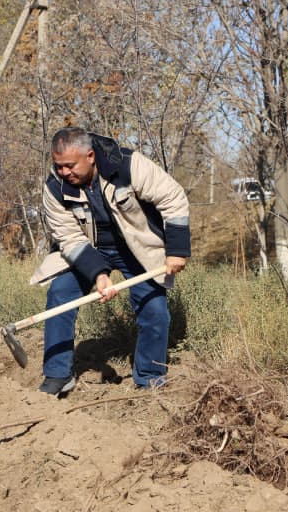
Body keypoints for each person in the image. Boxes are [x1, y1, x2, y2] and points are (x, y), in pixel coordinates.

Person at [35, 127, 190, 397]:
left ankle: (150, 376)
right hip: (88, 248)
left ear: (90, 156)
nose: (64, 172)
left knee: (154, 308)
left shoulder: (129, 166)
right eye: (58, 166)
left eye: (70, 166)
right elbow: (69, 238)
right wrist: (99, 274)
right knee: (60, 294)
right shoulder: (54, 188)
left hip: (136, 246)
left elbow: (173, 198)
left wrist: (176, 250)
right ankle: (57, 375)